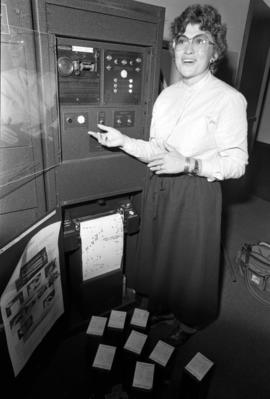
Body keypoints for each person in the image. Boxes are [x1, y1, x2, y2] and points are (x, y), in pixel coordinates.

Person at [89, 4, 248, 344]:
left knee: (189, 266)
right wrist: (123, 142)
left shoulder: (229, 99)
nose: (188, 48)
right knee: (159, 254)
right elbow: (157, 150)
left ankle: (189, 323)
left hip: (196, 192)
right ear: (173, 46)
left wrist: (190, 164)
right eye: (182, 39)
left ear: (215, 51)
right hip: (159, 186)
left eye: (200, 40)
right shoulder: (166, 97)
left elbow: (237, 164)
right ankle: (160, 308)